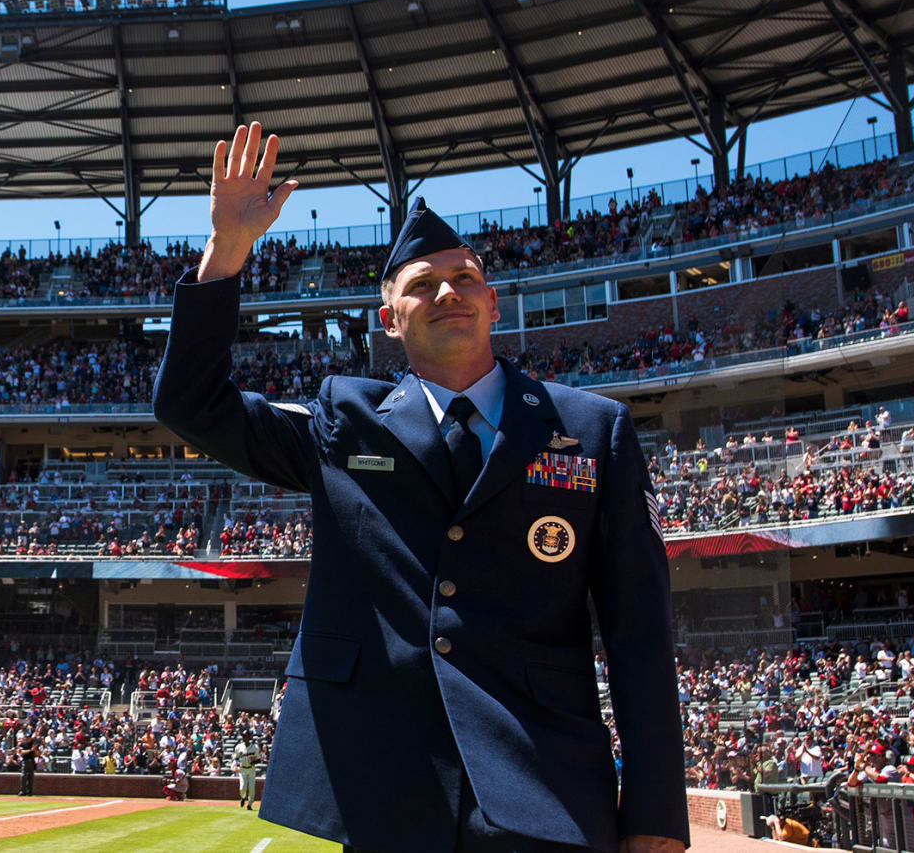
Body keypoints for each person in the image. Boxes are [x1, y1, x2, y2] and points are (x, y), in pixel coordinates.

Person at [154, 121, 687, 852]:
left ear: (494, 303)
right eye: (423, 284)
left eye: (465, 278)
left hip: (549, 793)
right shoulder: (345, 420)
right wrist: (229, 252)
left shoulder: (595, 430)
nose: (448, 292)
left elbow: (640, 635)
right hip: (387, 796)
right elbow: (191, 403)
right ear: (390, 320)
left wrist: (656, 814)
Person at [237, 738, 262, 810]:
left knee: (251, 788)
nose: (245, 737)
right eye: (244, 736)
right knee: (242, 787)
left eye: (246, 736)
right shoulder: (239, 746)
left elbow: (259, 759)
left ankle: (250, 804)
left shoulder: (255, 747)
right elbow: (236, 757)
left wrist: (254, 762)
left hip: (251, 769)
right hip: (242, 769)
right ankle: (243, 797)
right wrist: (236, 762)